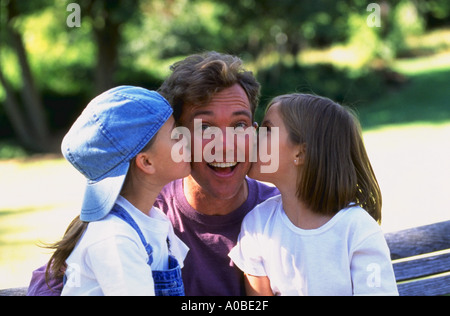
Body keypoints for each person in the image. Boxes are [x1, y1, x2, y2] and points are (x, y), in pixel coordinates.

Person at [27, 52, 279, 296]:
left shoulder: (285, 211)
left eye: (239, 125)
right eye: (205, 127)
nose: (225, 145)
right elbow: (50, 281)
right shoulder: (143, 212)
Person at [229, 93, 399, 296]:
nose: (253, 138)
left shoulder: (357, 230)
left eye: (267, 130)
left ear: (300, 153)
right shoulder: (257, 225)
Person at [43, 86, 190, 296]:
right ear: (146, 162)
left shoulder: (154, 220)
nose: (187, 139)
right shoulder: (116, 238)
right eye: (176, 134)